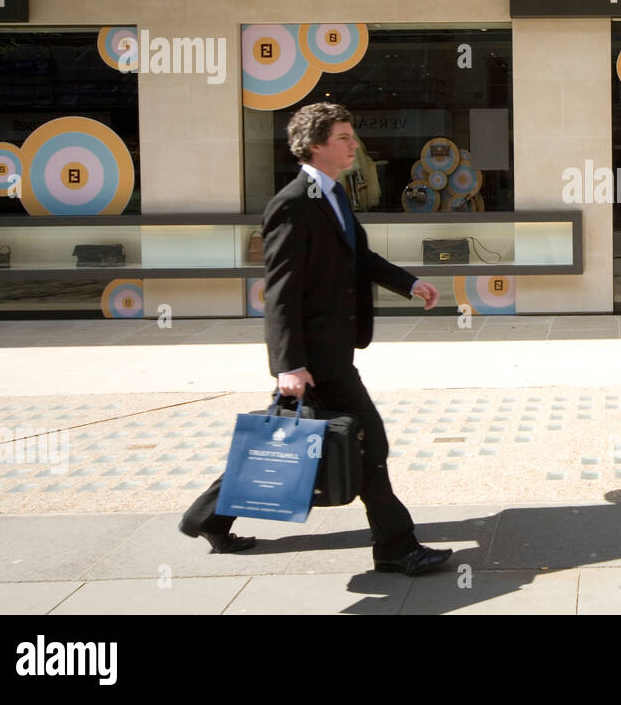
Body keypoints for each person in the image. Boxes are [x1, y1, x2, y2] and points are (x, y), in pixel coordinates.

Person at [180, 102, 452, 576]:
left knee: (284, 437)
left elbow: (359, 258)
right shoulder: (291, 204)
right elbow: (280, 291)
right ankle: (395, 545)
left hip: (331, 349)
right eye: (344, 138)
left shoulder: (334, 195)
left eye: (353, 136)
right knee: (369, 442)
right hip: (315, 357)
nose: (354, 145)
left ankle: (206, 517)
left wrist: (410, 283)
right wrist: (287, 364)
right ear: (315, 145)